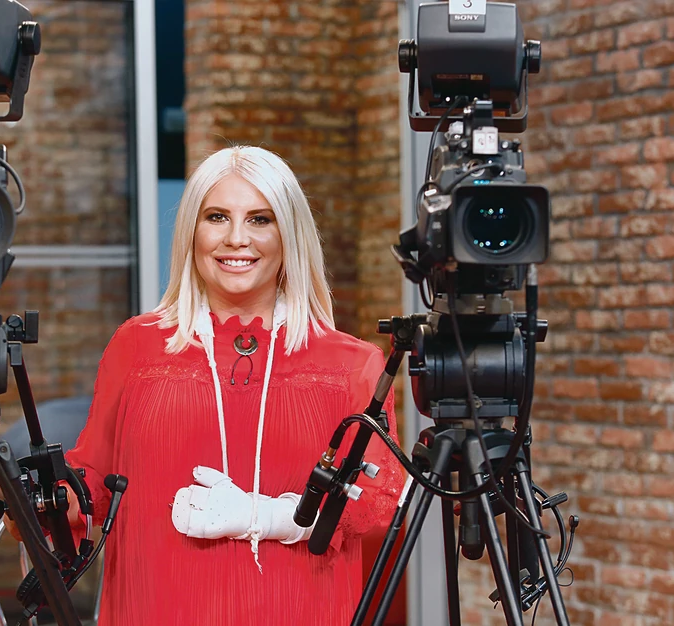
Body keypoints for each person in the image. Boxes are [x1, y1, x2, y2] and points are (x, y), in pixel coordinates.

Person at [22, 146, 401, 625]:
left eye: (260, 219)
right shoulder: (137, 346)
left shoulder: (352, 363)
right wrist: (44, 501)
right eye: (217, 217)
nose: (236, 239)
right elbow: (93, 478)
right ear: (191, 231)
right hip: (156, 609)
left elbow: (379, 500)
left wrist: (268, 516)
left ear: (290, 234)